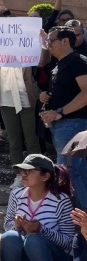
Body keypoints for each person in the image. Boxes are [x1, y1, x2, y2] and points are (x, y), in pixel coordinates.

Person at [40, 26, 87, 209]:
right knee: (76, 173)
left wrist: (60, 112)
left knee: (69, 174)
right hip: (63, 126)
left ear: (65, 41)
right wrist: (46, 98)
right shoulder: (59, 65)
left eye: (52, 40)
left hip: (73, 125)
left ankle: (77, 222)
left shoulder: (78, 61)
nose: (48, 44)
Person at [1, 154, 73, 261]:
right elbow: (7, 225)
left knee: (34, 241)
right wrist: (17, 225)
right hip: (27, 253)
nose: (24, 174)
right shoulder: (16, 194)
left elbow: (68, 242)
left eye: (29, 171)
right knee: (10, 236)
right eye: (22, 170)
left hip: (53, 255)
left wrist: (41, 229)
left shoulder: (61, 200)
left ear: (45, 176)